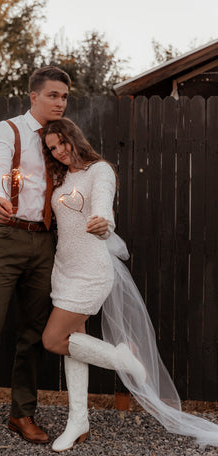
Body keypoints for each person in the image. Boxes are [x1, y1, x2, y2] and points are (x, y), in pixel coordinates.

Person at [41, 117, 218, 452]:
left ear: (74, 137)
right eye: (52, 148)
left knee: (53, 339)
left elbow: (104, 210)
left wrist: (103, 223)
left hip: (92, 271)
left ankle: (122, 358)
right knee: (73, 341)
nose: (60, 151)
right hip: (64, 270)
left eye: (62, 142)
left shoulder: (100, 170)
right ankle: (78, 420)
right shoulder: (62, 178)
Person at [0, 66, 80, 456]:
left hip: (45, 243)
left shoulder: (64, 139)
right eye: (53, 95)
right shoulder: (5, 131)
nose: (60, 102)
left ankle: (22, 414)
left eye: (64, 96)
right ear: (33, 97)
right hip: (4, 238)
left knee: (32, 335)